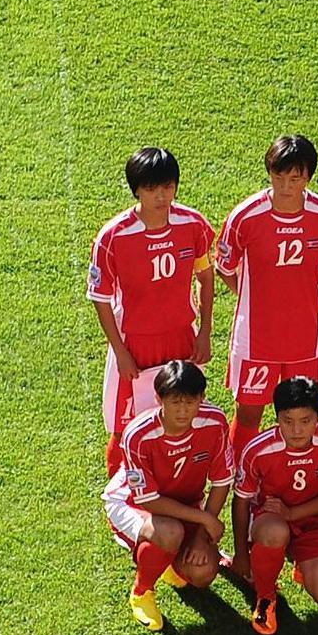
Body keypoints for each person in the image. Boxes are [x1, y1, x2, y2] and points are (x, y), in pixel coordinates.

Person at [216, 134, 318, 557]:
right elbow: (227, 269)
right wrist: (260, 299)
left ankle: (305, 502)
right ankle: (244, 493)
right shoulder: (245, 217)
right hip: (255, 342)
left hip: (305, 341)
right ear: (268, 173)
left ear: (308, 177)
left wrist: (294, 296)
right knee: (248, 413)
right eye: (279, 176)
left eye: (296, 177)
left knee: (303, 418)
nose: (287, 186)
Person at [89, 148, 216, 476]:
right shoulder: (113, 236)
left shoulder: (193, 224)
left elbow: (205, 275)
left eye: (167, 186)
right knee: (124, 427)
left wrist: (204, 331)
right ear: (136, 190)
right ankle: (120, 504)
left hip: (180, 338)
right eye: (151, 188)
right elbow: (101, 298)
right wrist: (120, 352)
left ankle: (178, 493)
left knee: (182, 418)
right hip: (136, 342)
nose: (161, 196)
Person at [102, 360, 232, 630]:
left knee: (203, 573)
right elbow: (147, 499)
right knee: (170, 532)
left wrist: (199, 535)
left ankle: (169, 561)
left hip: (183, 504)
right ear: (159, 399)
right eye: (175, 402)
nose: (183, 411)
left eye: (190, 402)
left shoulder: (215, 422)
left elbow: (221, 481)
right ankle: (142, 593)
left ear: (202, 399)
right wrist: (204, 520)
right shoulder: (138, 435)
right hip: (131, 503)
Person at [235, 376, 318, 635]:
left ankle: (303, 561)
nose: (297, 430)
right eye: (288, 422)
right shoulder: (258, 449)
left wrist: (293, 513)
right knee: (276, 532)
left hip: (314, 521)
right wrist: (241, 553)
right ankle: (266, 597)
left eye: (305, 421)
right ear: (277, 418)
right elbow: (241, 501)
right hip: (270, 519)